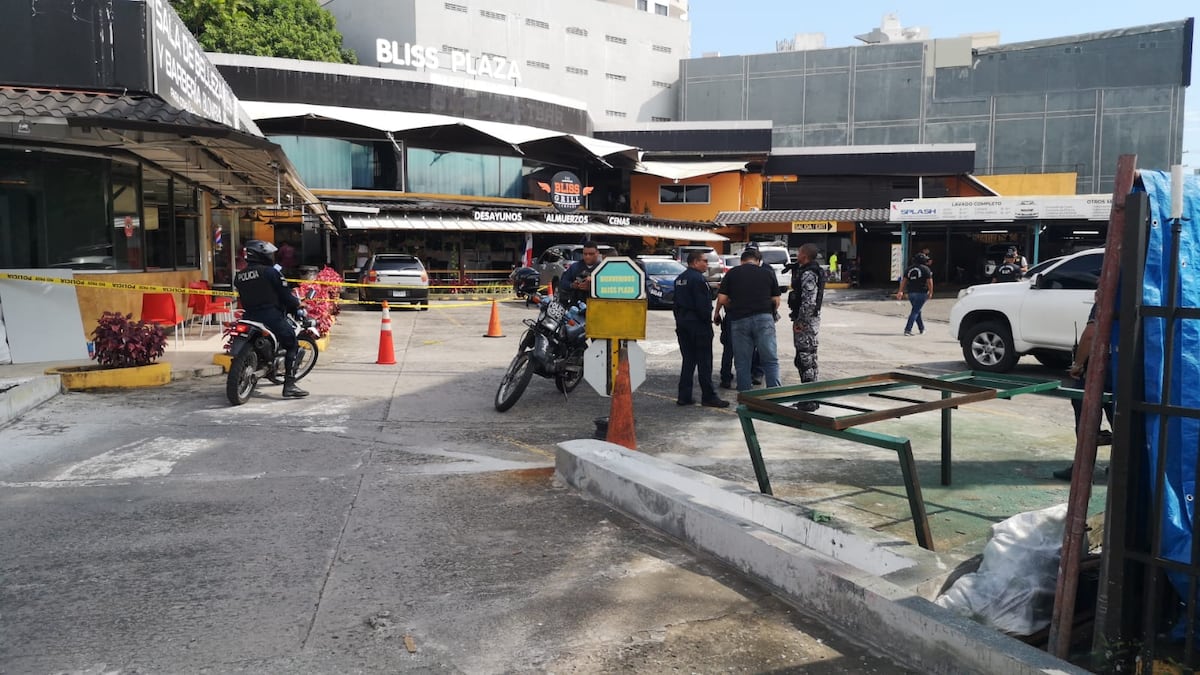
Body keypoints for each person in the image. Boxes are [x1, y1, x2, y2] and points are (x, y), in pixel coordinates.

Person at [235, 240, 309, 399]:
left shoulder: (239, 276)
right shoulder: (270, 272)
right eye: (268, 253)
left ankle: (268, 368)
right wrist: (297, 305)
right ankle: (289, 385)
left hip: (249, 317)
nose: (271, 256)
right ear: (261, 255)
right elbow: (285, 296)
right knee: (292, 344)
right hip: (270, 317)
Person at [1053, 297, 1115, 480]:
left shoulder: (1107, 298)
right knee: (1120, 420)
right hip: (1123, 367)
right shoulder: (1135, 295)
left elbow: (1090, 335)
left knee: (1086, 419)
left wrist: (1078, 364)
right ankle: (1121, 467)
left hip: (1099, 368)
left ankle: (1082, 470)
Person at [713, 248, 782, 392]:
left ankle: (746, 399)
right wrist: (768, 311)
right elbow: (776, 300)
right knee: (770, 359)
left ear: (741, 261)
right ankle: (775, 397)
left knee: (742, 361)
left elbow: (722, 299)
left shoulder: (732, 274)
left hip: (739, 319)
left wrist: (735, 307)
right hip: (764, 318)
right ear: (758, 261)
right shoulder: (767, 273)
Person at [673, 252, 729, 408]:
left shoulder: (680, 279)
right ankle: (709, 396)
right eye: (705, 261)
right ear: (695, 262)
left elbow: (675, 304)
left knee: (688, 361)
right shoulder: (698, 279)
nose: (707, 264)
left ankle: (684, 396)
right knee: (704, 362)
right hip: (698, 325)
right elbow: (703, 305)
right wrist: (707, 320)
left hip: (683, 324)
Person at [789, 243, 825, 411]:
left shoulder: (809, 273)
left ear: (804, 255)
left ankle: (810, 400)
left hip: (806, 322)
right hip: (808, 321)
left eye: (798, 252)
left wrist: (801, 322)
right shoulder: (808, 270)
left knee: (806, 360)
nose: (797, 254)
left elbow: (809, 302)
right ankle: (810, 397)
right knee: (806, 359)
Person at [896, 252, 933, 336]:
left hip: (911, 293)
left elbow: (904, 281)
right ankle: (908, 330)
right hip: (921, 293)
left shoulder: (909, 269)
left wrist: (900, 291)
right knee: (915, 311)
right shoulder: (926, 269)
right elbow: (929, 282)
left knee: (917, 311)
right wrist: (930, 292)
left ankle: (922, 328)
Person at [558, 240, 603, 304]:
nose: (587, 256)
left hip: (597, 304)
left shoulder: (603, 268)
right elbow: (563, 283)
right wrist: (573, 285)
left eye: (591, 254)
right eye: (585, 254)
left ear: (597, 253)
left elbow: (609, 287)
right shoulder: (574, 267)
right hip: (576, 305)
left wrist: (592, 286)